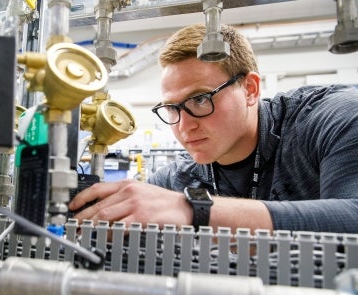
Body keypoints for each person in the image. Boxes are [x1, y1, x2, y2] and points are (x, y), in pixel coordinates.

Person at [69, 23, 358, 234]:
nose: (185, 126)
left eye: (200, 99)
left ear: (250, 89)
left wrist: (193, 209)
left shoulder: (333, 117)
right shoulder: (180, 177)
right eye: (172, 108)